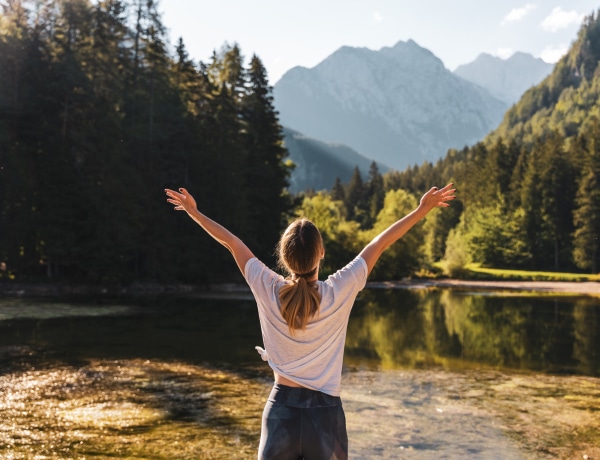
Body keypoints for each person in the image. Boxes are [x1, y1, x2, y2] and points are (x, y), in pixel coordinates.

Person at [165, 183, 456, 460]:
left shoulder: (267, 287)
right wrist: (421, 210)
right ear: (321, 253)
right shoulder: (339, 289)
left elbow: (231, 243)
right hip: (326, 415)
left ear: (284, 257)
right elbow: (380, 243)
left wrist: (195, 213)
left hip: (281, 412)